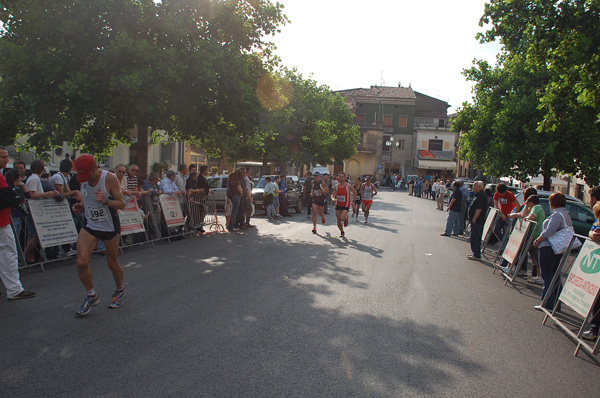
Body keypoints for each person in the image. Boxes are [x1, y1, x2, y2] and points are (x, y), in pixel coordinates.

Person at [71, 154, 126, 316]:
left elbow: (121, 203)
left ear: (96, 168)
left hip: (109, 226)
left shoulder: (109, 179)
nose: (84, 179)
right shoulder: (83, 178)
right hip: (90, 225)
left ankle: (119, 290)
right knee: (81, 261)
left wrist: (106, 201)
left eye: (87, 174)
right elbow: (88, 200)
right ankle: (91, 295)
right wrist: (81, 206)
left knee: (112, 263)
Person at [0, 146, 36, 300]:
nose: (7, 160)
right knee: (9, 254)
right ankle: (14, 289)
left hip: (4, 220)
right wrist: (18, 190)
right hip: (2, 222)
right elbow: (9, 197)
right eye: (3, 157)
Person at [532, 192, 571, 312]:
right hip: (557, 249)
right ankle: (556, 303)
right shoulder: (565, 215)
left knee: (547, 275)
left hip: (549, 248)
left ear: (552, 203)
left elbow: (549, 231)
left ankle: (548, 303)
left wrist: (538, 240)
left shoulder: (557, 215)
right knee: (555, 276)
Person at [24, 159, 60, 263]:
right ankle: (25, 255)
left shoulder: (33, 178)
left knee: (32, 235)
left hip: (34, 209)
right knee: (36, 236)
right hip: (34, 210)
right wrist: (45, 194)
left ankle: (29, 257)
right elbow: (31, 195)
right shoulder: (35, 179)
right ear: (42, 169)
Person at [582, 200, 600, 341]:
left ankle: (594, 330)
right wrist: (591, 234)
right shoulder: (597, 222)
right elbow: (592, 230)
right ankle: (594, 329)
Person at [468, 181, 489, 261]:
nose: (473, 188)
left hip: (478, 221)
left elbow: (479, 209)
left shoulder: (481, 196)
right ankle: (475, 253)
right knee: (474, 237)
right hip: (476, 220)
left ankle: (476, 254)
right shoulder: (478, 195)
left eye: (474, 187)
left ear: (479, 187)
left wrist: (474, 219)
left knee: (476, 237)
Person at [331, 172, 356, 237]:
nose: (341, 178)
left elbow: (355, 192)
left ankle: (345, 218)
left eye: (342, 177)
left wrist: (353, 201)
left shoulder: (348, 186)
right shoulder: (336, 186)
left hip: (346, 204)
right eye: (340, 176)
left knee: (342, 218)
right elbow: (333, 195)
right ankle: (342, 231)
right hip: (338, 204)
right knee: (338, 219)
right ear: (338, 177)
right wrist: (333, 198)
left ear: (345, 178)